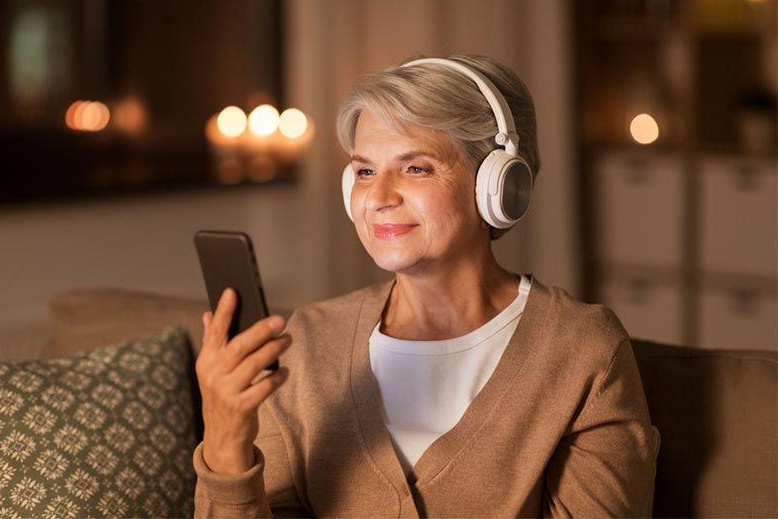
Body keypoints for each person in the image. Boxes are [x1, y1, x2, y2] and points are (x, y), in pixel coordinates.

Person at [192, 54, 660, 518]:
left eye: (416, 168)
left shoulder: (581, 350)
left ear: (497, 186)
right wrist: (226, 443)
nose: (377, 198)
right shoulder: (308, 341)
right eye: (364, 171)